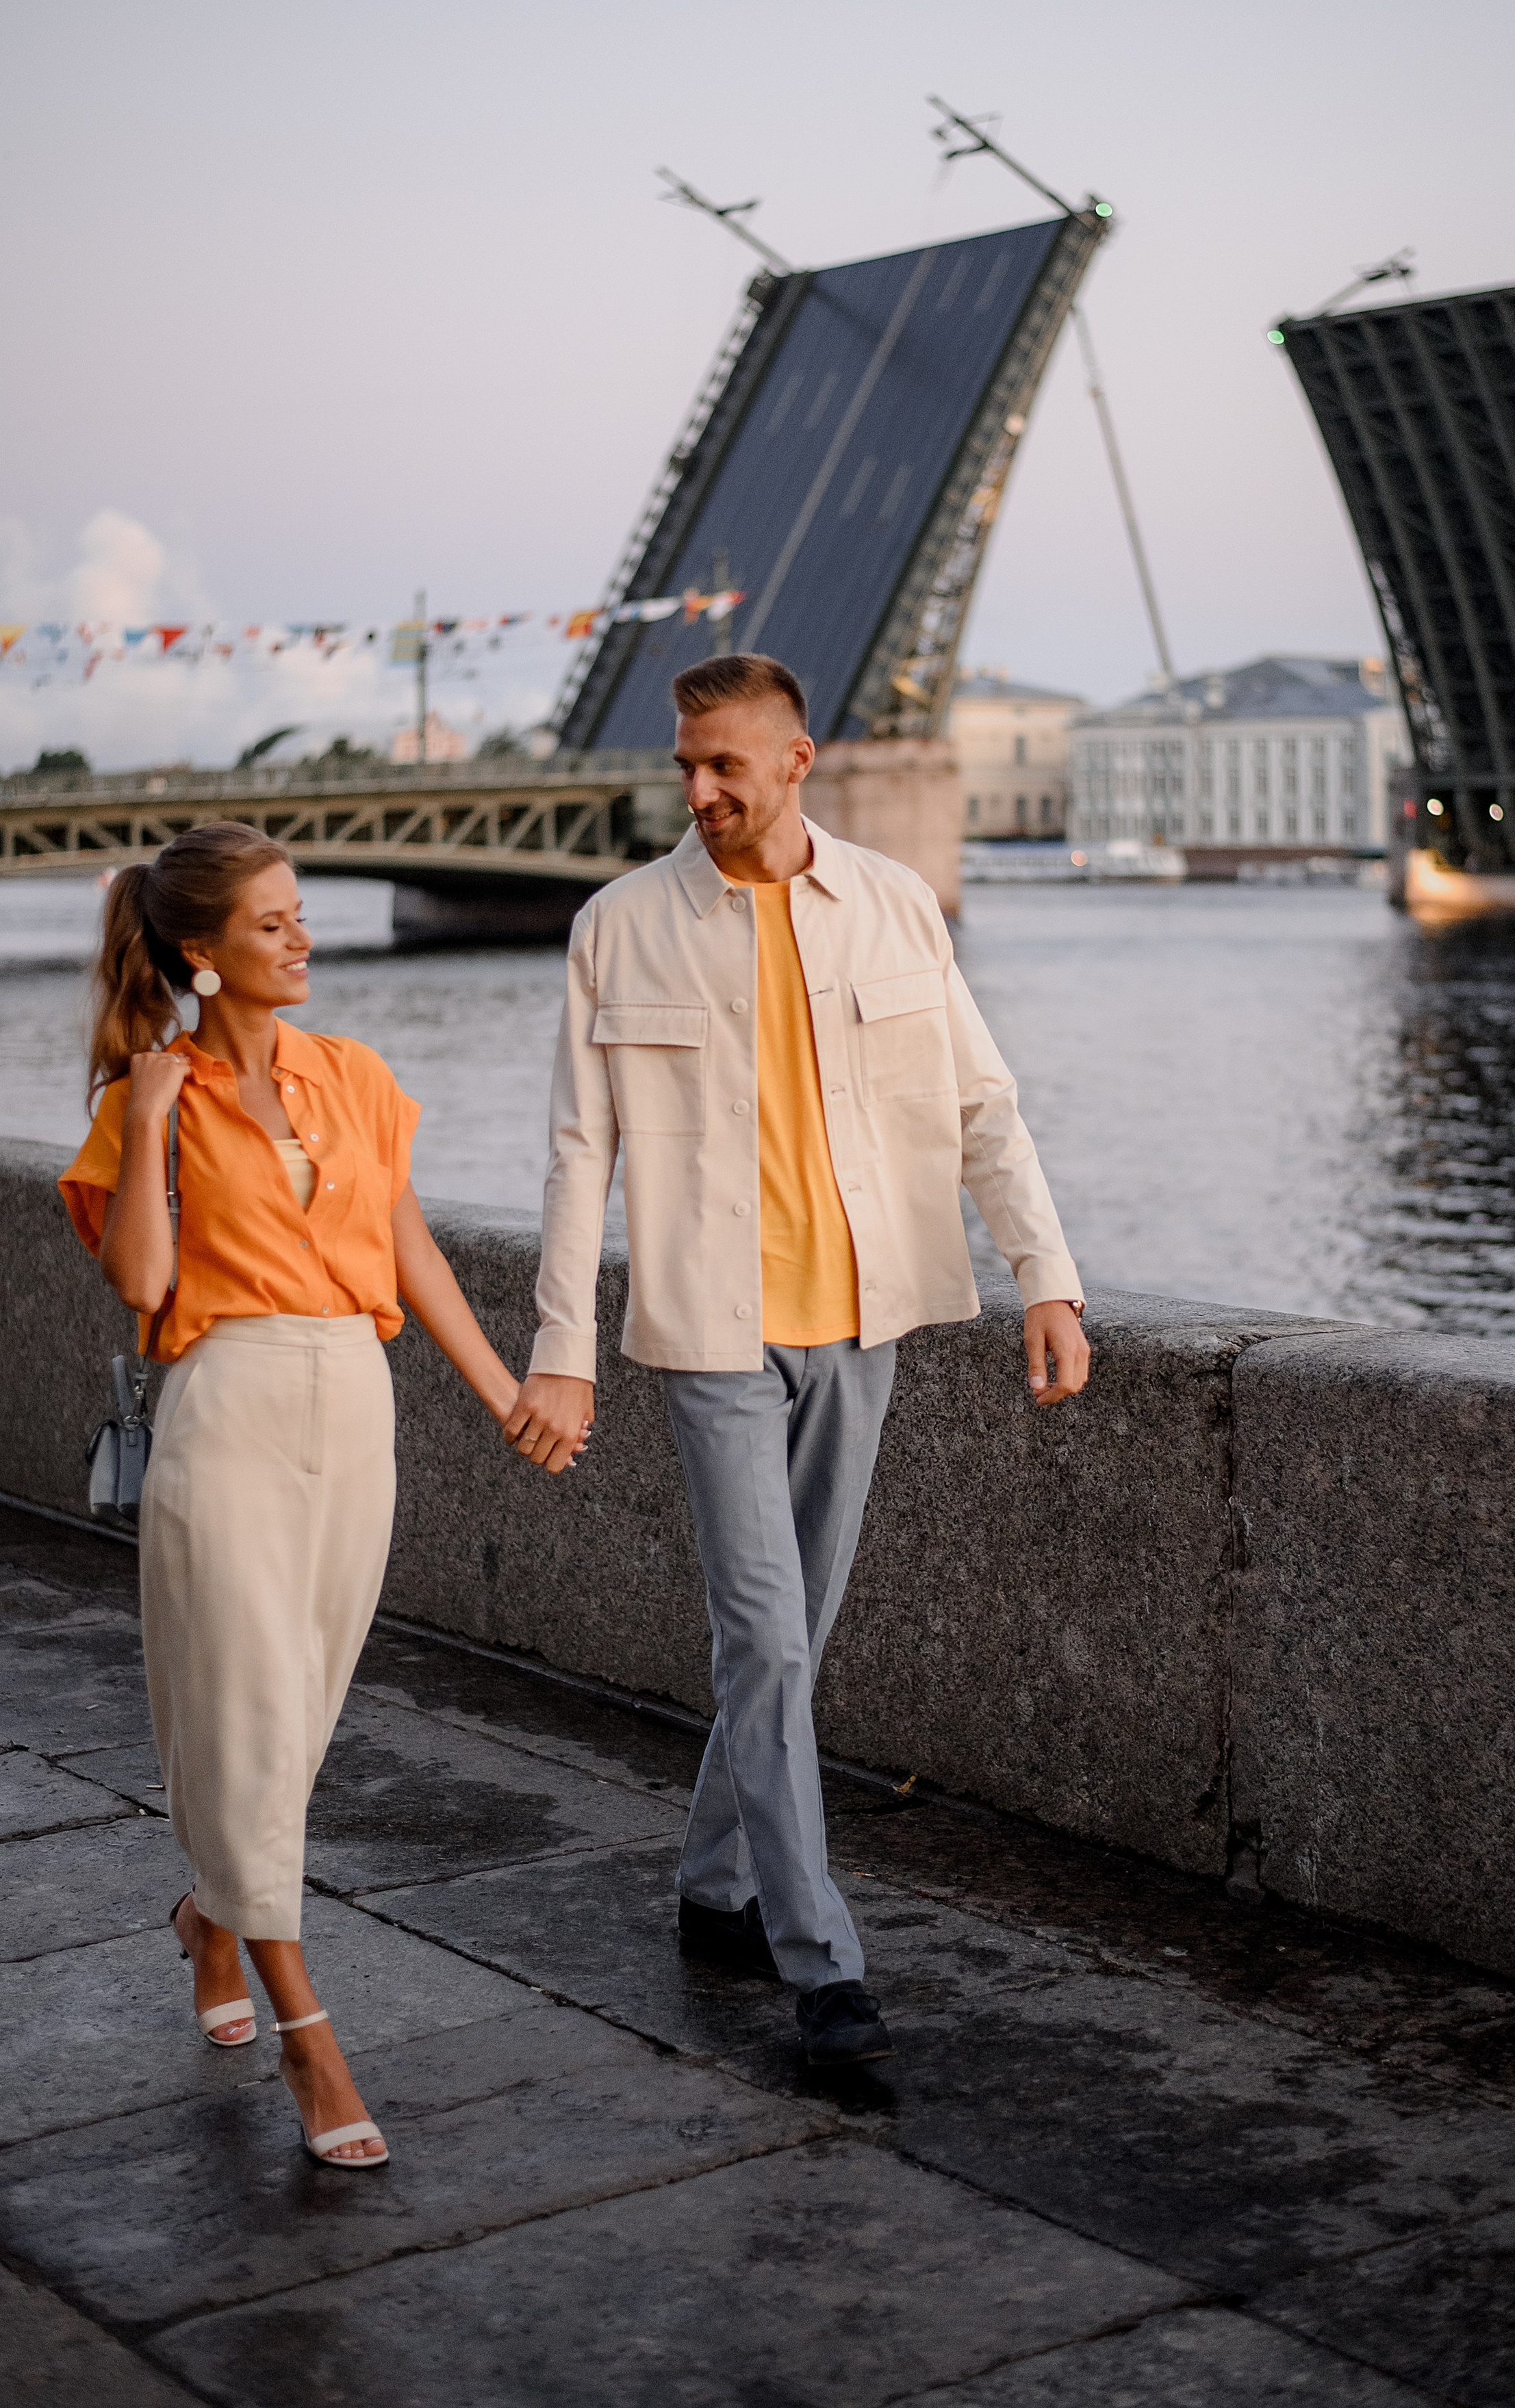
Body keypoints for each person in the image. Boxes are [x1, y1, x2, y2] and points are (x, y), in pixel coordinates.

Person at [501, 653, 1088, 2067]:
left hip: (863, 1319)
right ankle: (819, 1957)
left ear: (794, 761)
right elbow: (582, 1158)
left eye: (722, 766)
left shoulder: (888, 905)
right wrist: (562, 1351)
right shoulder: (619, 927)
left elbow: (979, 1104)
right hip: (709, 1333)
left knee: (794, 1639)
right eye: (684, 766)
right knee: (762, 1634)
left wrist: (1044, 1278)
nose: (696, 792)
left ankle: (711, 1880)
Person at [60, 823, 544, 2170]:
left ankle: (210, 1916)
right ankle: (307, 2033)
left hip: (354, 1402)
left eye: (299, 914)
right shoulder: (148, 1100)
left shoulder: (356, 1078)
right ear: (203, 953)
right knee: (249, 1704)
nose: (302, 937)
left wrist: (505, 1390)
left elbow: (410, 1248)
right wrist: (151, 1111)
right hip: (230, 1406)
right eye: (270, 924)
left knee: (304, 1709)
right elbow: (144, 1285)